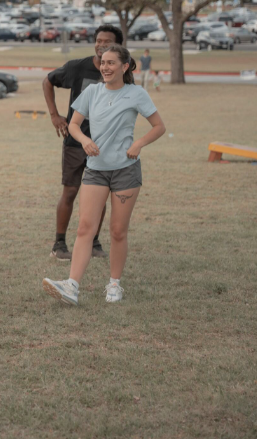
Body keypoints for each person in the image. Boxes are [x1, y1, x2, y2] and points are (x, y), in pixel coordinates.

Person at [43, 44, 165, 305]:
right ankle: (72, 286)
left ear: (125, 67)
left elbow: (159, 127)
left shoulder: (137, 94)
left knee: (118, 231)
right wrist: (84, 140)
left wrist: (139, 143)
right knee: (86, 228)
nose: (106, 67)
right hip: (96, 170)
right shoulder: (92, 92)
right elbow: (74, 124)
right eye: (103, 62)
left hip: (125, 171)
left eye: (112, 63)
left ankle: (114, 284)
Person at [42, 25, 123, 261]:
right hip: (76, 143)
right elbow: (47, 81)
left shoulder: (120, 71)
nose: (101, 46)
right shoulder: (78, 67)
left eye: (107, 42)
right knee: (70, 192)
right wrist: (55, 115)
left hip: (104, 146)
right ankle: (59, 244)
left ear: (118, 47)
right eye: (98, 41)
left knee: (101, 195)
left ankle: (94, 243)